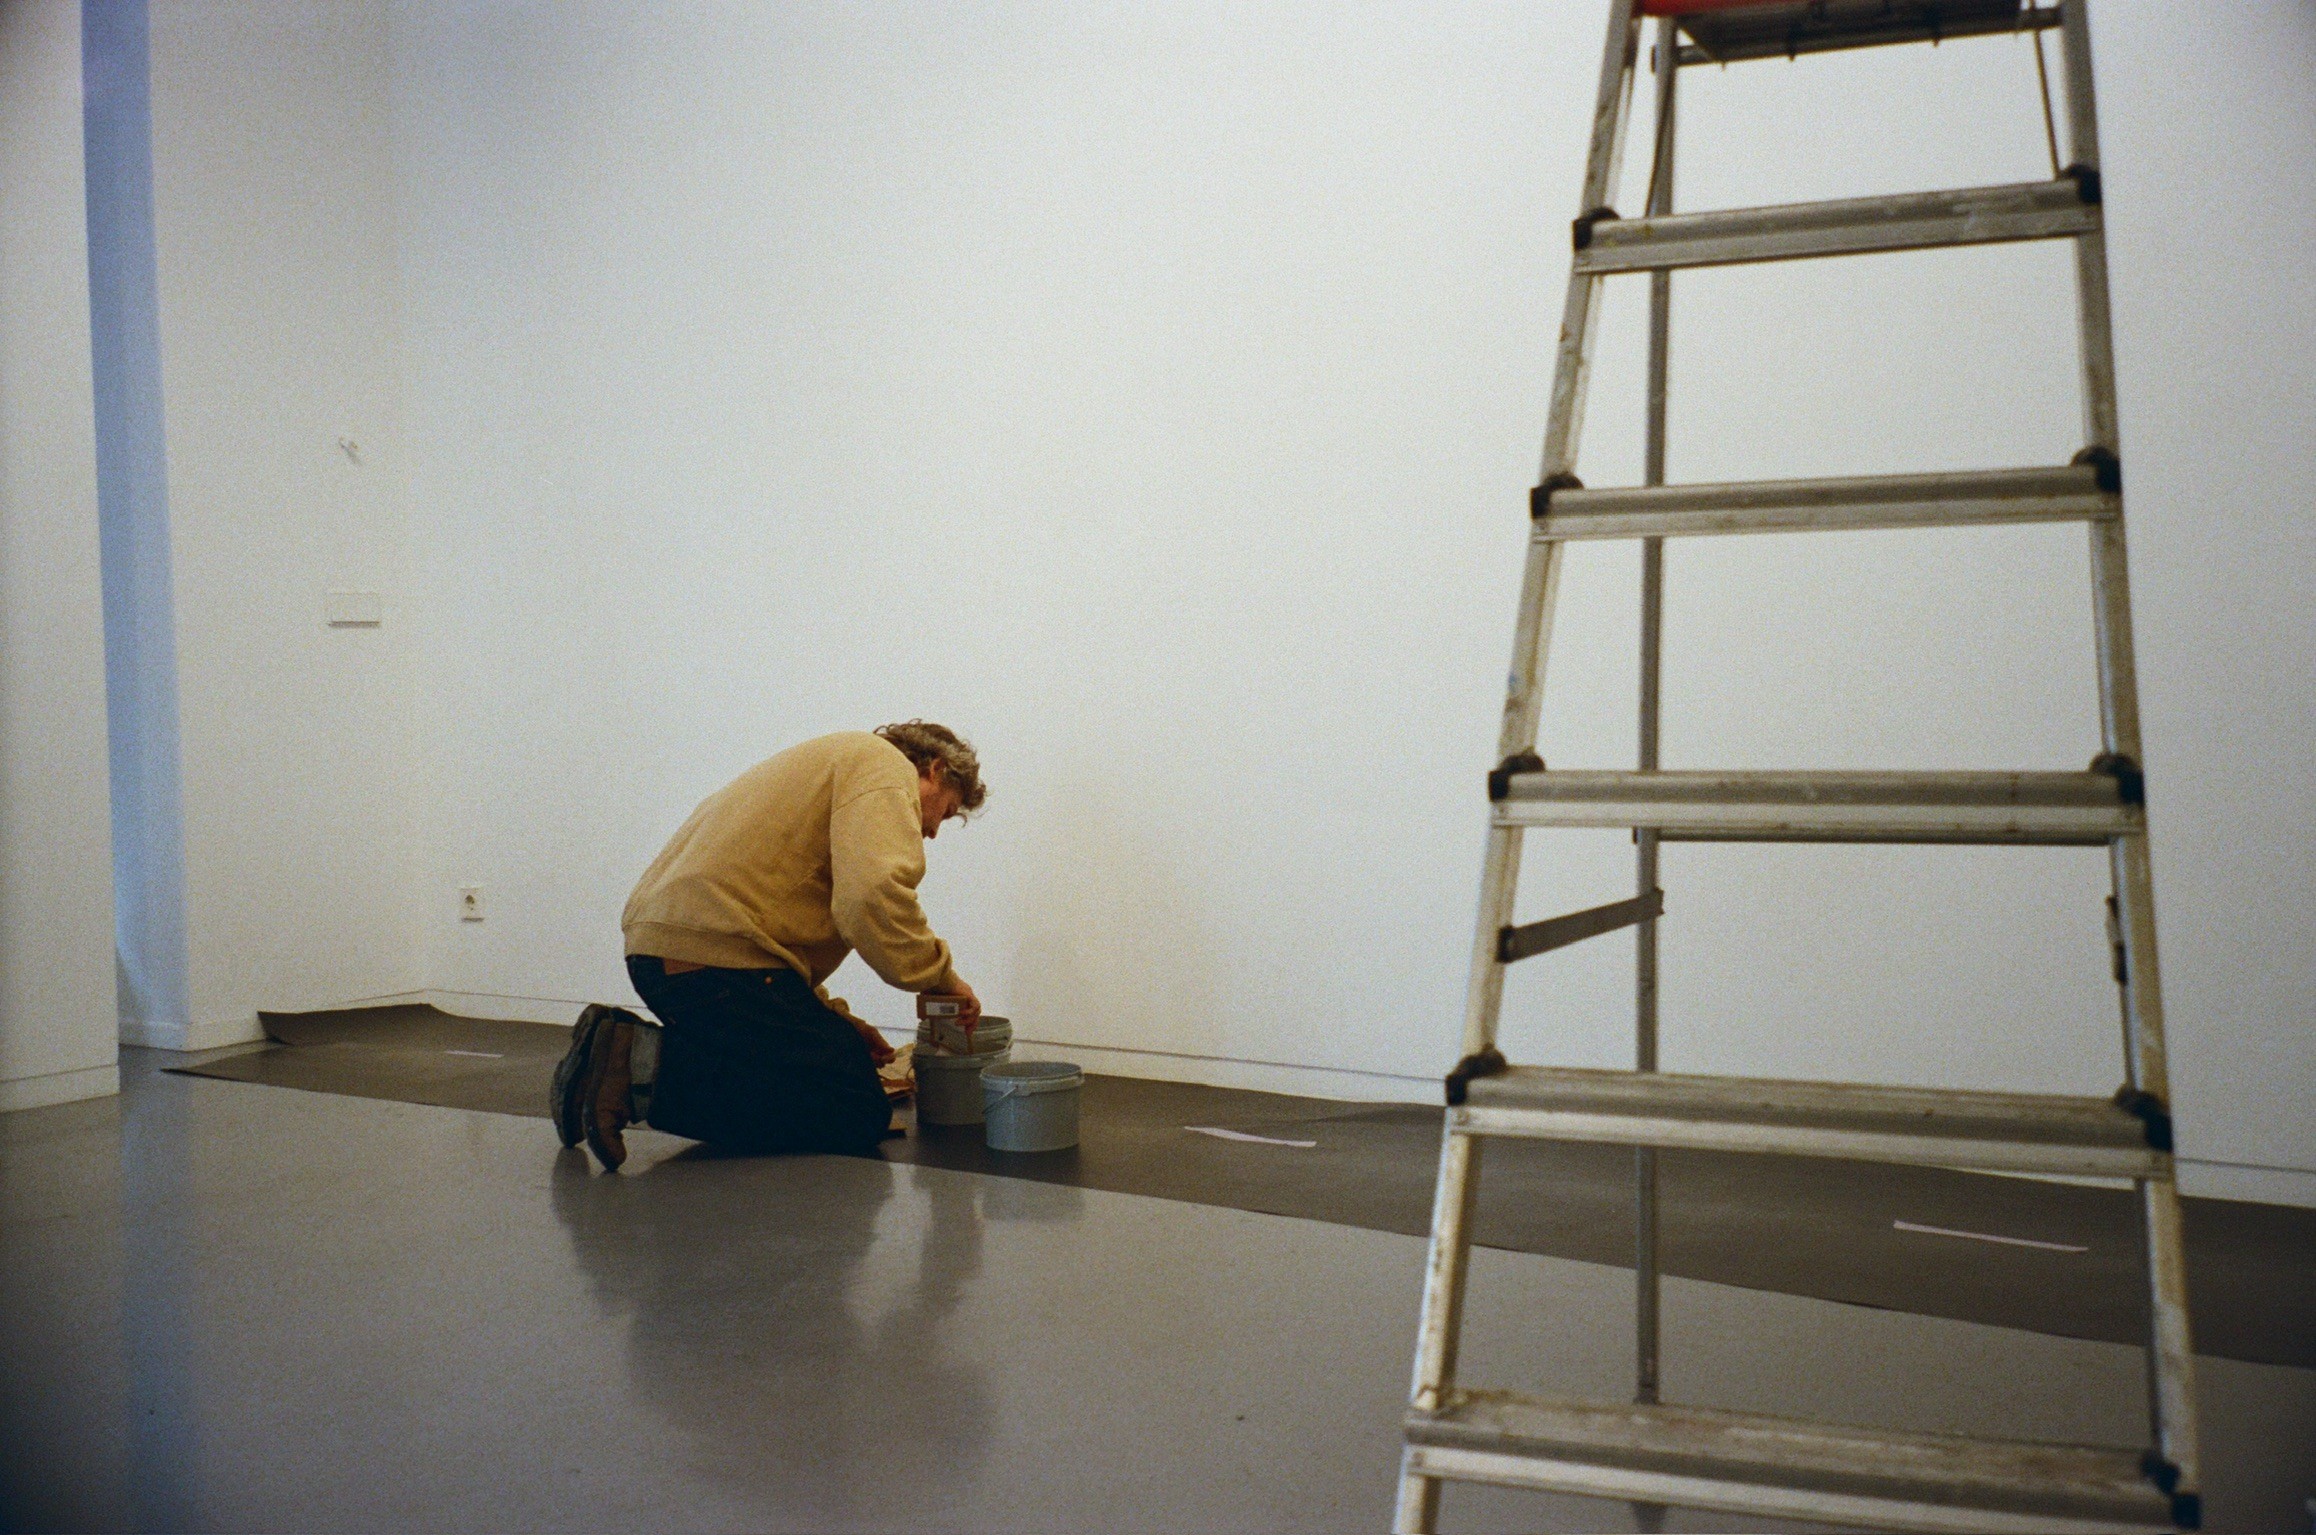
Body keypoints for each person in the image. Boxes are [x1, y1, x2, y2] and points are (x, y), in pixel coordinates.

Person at [554, 721, 985, 1171]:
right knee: (855, 1108)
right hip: (714, 964)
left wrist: (835, 1020)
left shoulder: (830, 764)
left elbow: (770, 927)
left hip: (665, 956)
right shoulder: (885, 766)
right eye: (946, 811)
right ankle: (634, 1070)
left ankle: (616, 1060)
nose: (932, 832)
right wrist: (942, 979)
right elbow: (872, 898)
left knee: (842, 1055)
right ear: (934, 770)